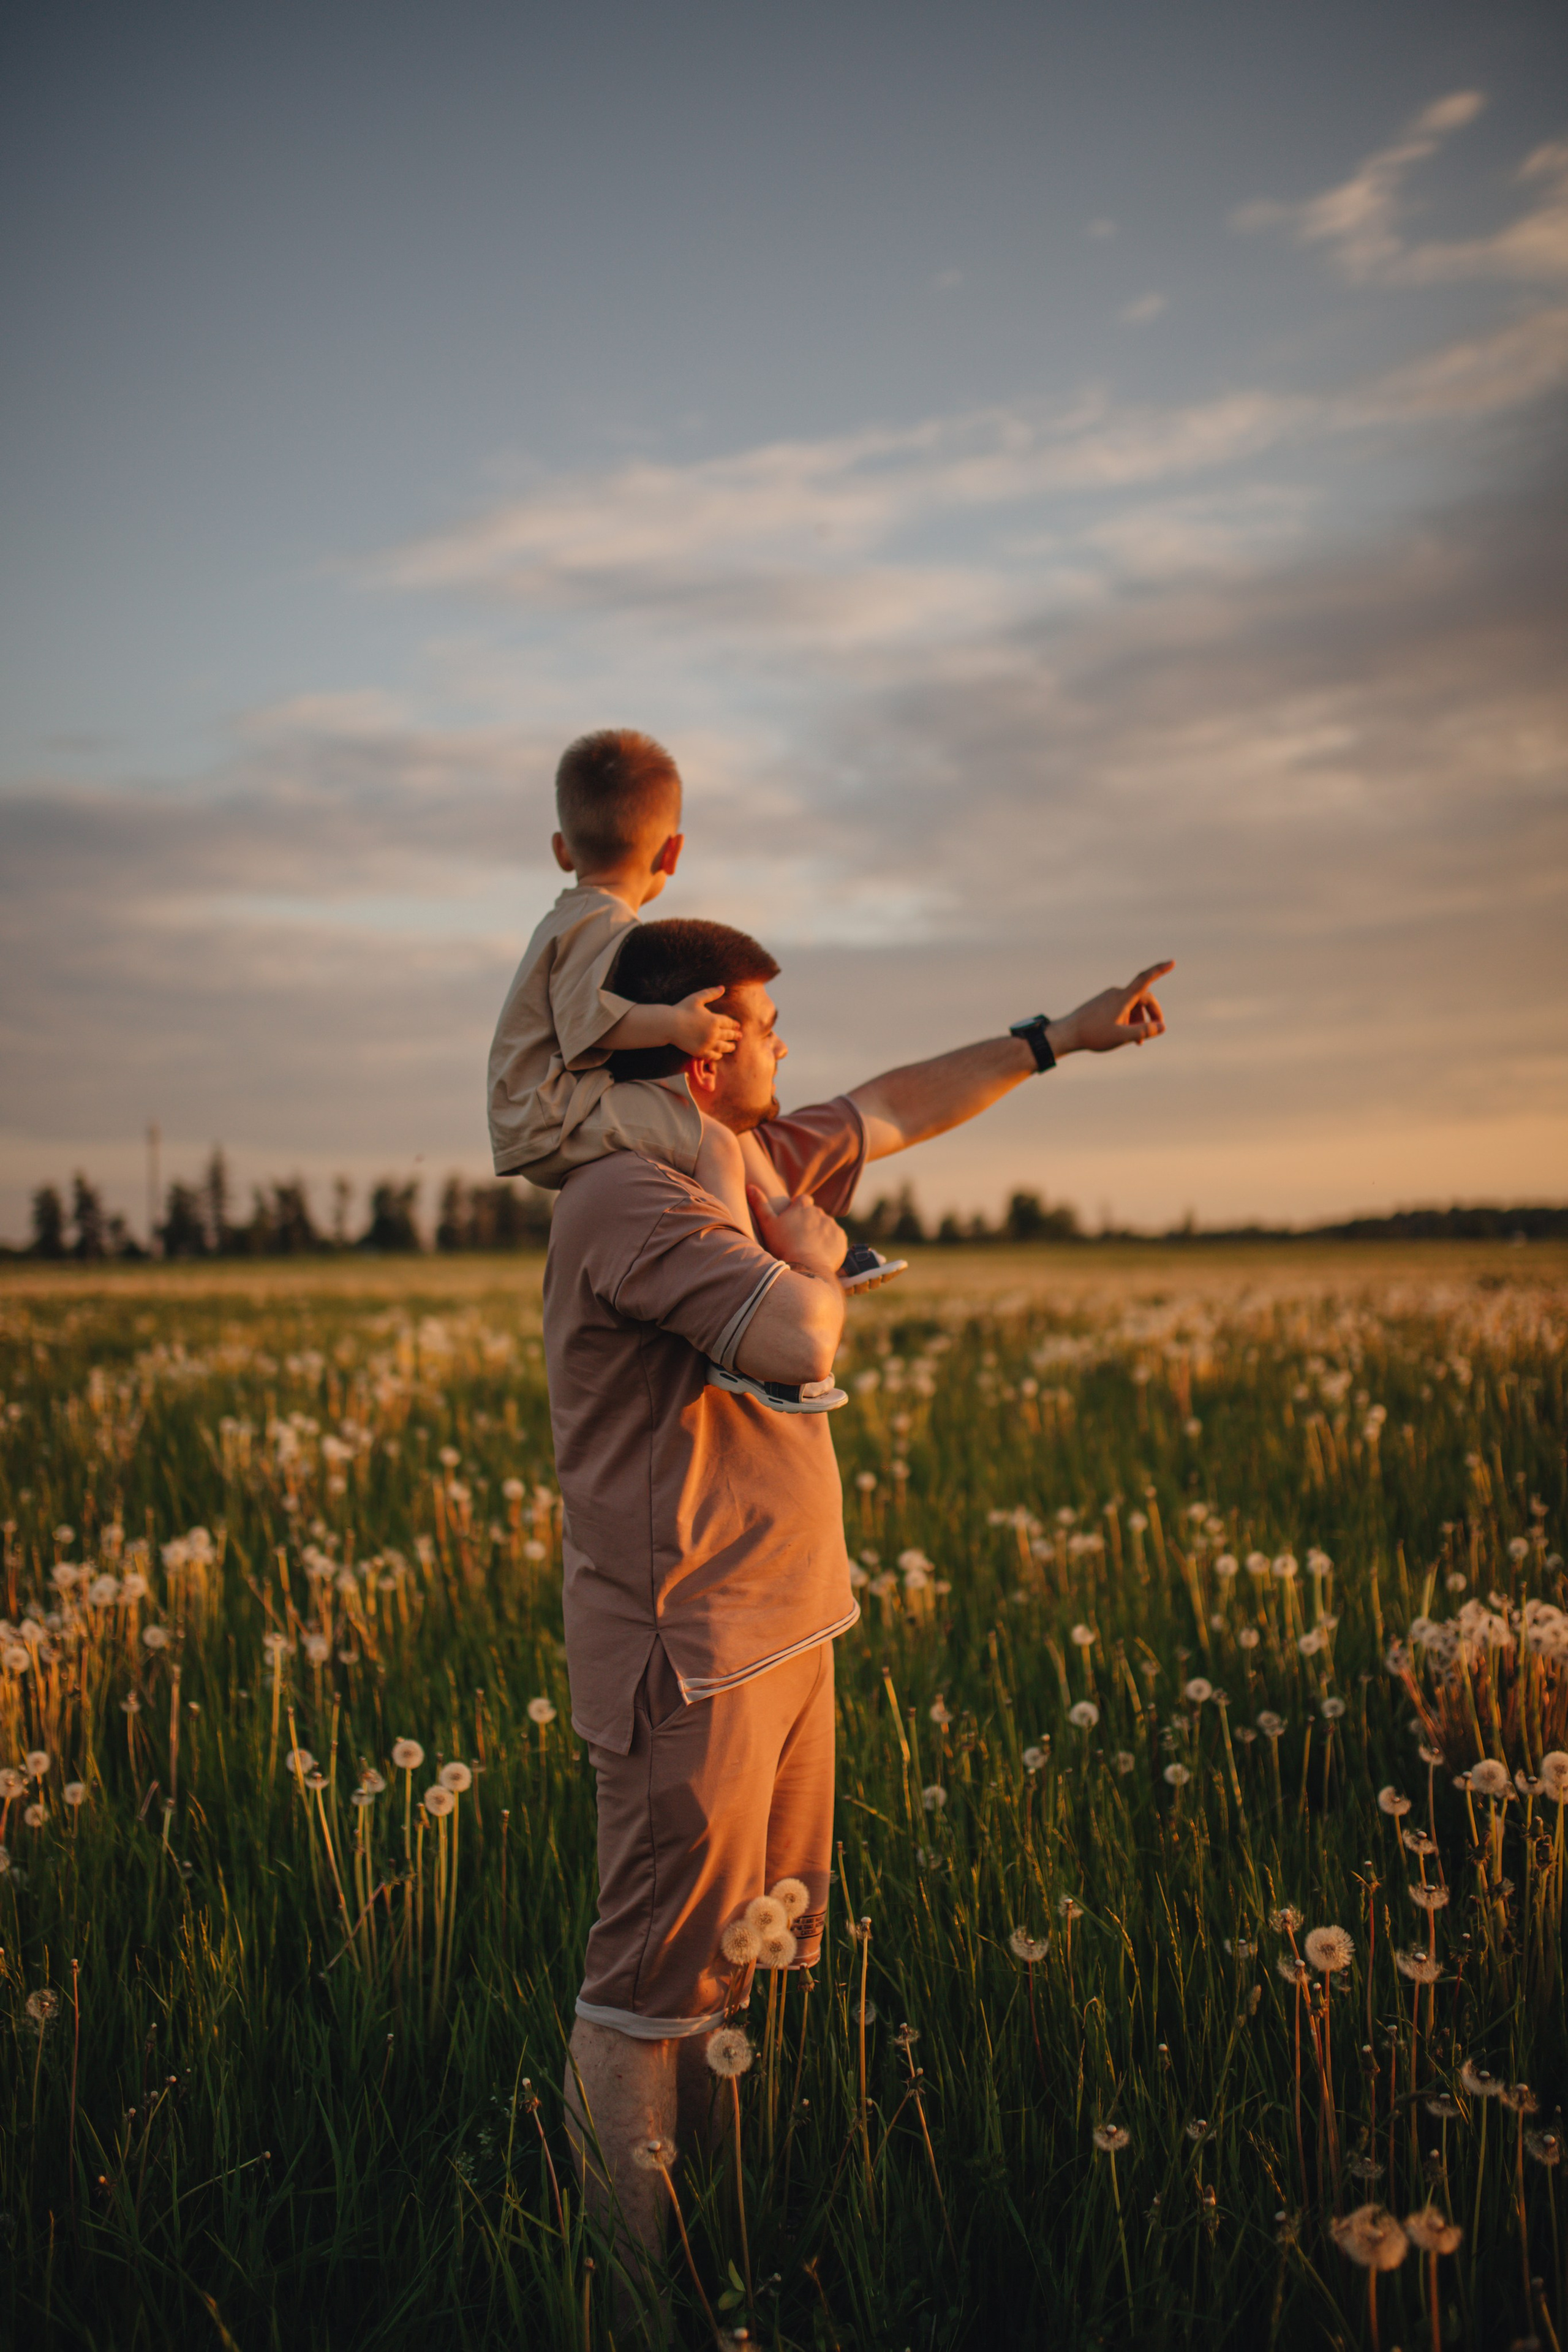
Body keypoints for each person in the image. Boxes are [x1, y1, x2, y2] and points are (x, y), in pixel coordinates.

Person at [542, 911, 1172, 2310]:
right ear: (701, 1044)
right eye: (760, 1024)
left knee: (733, 1955)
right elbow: (794, 1334)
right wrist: (817, 1247)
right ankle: (631, 2295)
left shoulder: (752, 1154)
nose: (783, 1045)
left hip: (786, 1625)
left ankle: (711, 2230)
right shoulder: (629, 1197)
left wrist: (1053, 1039)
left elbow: (893, 1102)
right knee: (644, 1978)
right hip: (683, 1651)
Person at [486, 731, 900, 1423]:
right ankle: (750, 1285)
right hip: (554, 1111)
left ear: (562, 848)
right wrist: (680, 1028)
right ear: (672, 851)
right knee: (710, 1140)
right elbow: (591, 1019)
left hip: (550, 1106)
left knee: (718, 1136)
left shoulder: (572, 918)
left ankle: (800, 1242)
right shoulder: (601, 922)